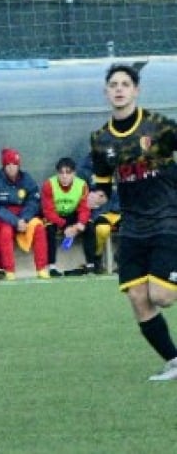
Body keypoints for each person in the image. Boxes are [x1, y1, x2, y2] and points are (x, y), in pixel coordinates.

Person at [88, 64, 177, 381]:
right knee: (138, 298)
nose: (119, 89)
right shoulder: (101, 139)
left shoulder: (159, 127)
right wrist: (97, 197)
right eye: (113, 84)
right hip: (133, 226)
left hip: (168, 218)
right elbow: (102, 185)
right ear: (106, 92)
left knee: (162, 296)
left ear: (136, 90)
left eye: (125, 83)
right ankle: (174, 360)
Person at [0, 148, 48, 280]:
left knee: (38, 227)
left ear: (19, 165)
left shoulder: (26, 179)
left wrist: (24, 218)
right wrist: (15, 221)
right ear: (3, 165)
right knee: (5, 231)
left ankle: (41, 269)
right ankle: (9, 270)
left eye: (14, 164)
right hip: (4, 217)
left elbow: (34, 200)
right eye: (8, 165)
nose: (11, 168)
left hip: (24, 216)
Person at [40, 156, 91, 278]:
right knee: (48, 229)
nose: (64, 176)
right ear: (57, 173)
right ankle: (51, 266)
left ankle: (91, 264)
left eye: (68, 172)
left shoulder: (82, 185)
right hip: (56, 217)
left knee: (89, 226)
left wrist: (79, 225)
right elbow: (48, 211)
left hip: (73, 215)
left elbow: (85, 208)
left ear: (74, 173)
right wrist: (65, 225)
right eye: (61, 173)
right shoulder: (49, 184)